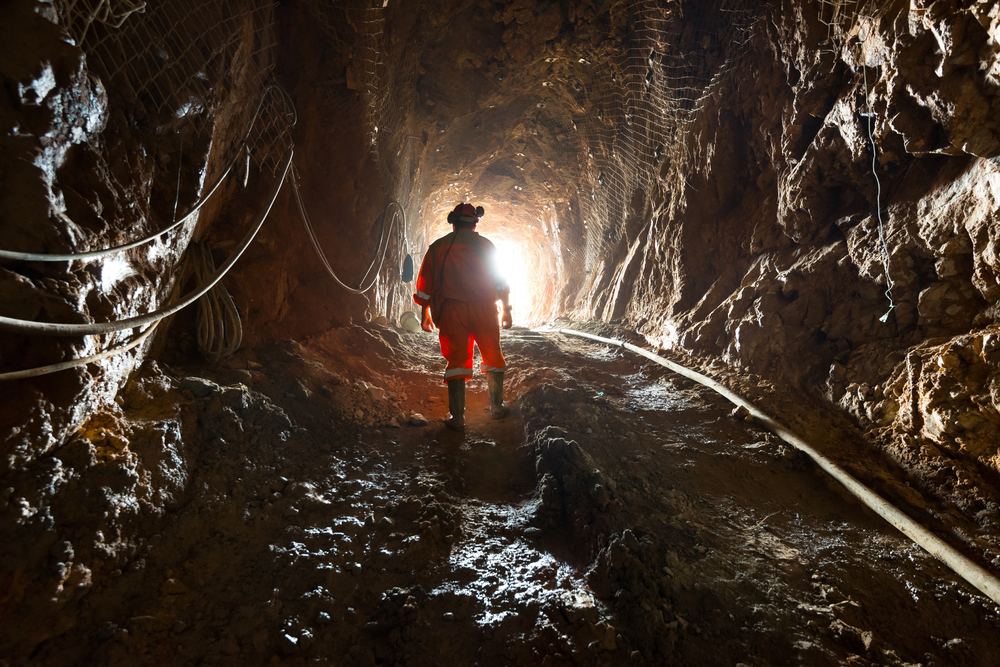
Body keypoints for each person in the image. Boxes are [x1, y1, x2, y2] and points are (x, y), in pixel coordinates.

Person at [413, 203, 513, 430]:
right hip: (485, 309)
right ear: (476, 222)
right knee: (492, 354)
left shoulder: (437, 248)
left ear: (452, 222)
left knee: (456, 360)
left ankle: (457, 417)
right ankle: (497, 407)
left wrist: (425, 313)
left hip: (451, 312)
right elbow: (501, 281)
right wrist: (506, 310)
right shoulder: (486, 245)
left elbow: (425, 287)